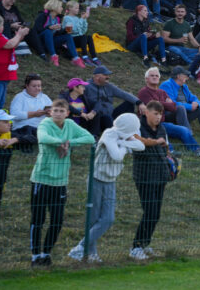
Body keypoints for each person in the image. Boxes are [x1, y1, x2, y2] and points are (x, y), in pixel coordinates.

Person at [68, 113, 145, 262]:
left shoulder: (125, 136)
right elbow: (116, 156)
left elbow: (141, 146)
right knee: (94, 218)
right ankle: (90, 254)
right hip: (96, 179)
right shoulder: (110, 133)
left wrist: (123, 143)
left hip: (111, 180)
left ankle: (80, 247)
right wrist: (124, 146)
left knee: (108, 218)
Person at [29, 99, 94, 266]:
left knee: (57, 220)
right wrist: (60, 143)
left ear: (67, 113)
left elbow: (89, 138)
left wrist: (69, 143)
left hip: (61, 181)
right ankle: (35, 255)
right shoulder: (45, 124)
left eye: (61, 111)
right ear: (50, 112)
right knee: (38, 220)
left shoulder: (70, 125)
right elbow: (43, 138)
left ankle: (46, 253)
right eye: (55, 110)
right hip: (41, 179)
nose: (57, 113)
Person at [136, 68, 200, 156]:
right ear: (146, 79)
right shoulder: (144, 92)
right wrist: (165, 103)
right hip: (149, 125)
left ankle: (198, 151)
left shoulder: (161, 92)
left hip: (163, 122)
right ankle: (170, 152)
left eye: (157, 75)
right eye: (152, 75)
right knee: (161, 133)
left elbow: (173, 106)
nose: (155, 77)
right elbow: (153, 107)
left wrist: (162, 103)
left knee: (184, 130)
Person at [129, 101, 171, 260]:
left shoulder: (162, 128)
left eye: (160, 114)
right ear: (146, 112)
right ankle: (136, 247)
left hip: (160, 176)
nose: (158, 117)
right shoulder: (137, 128)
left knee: (156, 214)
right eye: (155, 113)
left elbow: (165, 148)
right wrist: (155, 143)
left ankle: (145, 244)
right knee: (150, 211)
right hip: (145, 177)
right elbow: (139, 146)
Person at [160, 67, 200, 142]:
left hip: (184, 114)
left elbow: (193, 97)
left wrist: (196, 103)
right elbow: (172, 104)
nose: (187, 77)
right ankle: (188, 134)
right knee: (180, 108)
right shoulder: (166, 85)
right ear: (178, 76)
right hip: (171, 115)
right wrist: (190, 106)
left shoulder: (184, 86)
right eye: (185, 75)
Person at [84, 66, 146, 133]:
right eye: (105, 75)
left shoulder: (109, 86)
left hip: (111, 115)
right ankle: (115, 133)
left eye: (108, 75)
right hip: (97, 118)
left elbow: (124, 94)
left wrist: (139, 103)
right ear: (97, 76)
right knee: (106, 118)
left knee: (129, 104)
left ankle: (129, 127)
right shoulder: (86, 87)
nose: (108, 77)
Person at [32, 0, 85, 68]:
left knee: (68, 36)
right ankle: (53, 56)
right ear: (54, 7)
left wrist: (65, 30)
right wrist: (49, 27)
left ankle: (76, 58)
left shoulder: (58, 18)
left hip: (52, 41)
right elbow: (36, 29)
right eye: (60, 6)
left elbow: (58, 33)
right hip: (41, 41)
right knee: (48, 32)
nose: (62, 8)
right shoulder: (43, 16)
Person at [9, 74, 53, 147]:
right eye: (34, 86)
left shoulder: (45, 97)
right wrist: (34, 114)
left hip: (41, 127)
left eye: (39, 86)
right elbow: (14, 115)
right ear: (27, 86)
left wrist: (50, 113)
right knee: (29, 131)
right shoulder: (19, 97)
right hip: (23, 128)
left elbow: (54, 111)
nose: (37, 88)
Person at [0, 15, 29, 109]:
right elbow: (9, 44)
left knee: (1, 102)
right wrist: (18, 35)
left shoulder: (1, 36)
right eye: (2, 25)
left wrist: (19, 37)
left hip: (3, 75)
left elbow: (12, 45)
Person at [61, 0, 101, 67]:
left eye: (78, 8)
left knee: (88, 37)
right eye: (76, 8)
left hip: (79, 39)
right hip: (70, 40)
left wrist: (84, 19)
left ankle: (94, 57)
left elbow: (82, 31)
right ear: (70, 8)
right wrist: (81, 19)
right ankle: (84, 56)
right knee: (83, 37)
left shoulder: (77, 18)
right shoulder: (66, 18)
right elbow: (72, 30)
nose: (78, 10)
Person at [0, 109, 18, 219]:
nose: (9, 124)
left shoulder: (9, 135)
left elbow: (33, 136)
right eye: (5, 122)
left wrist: (15, 139)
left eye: (9, 121)